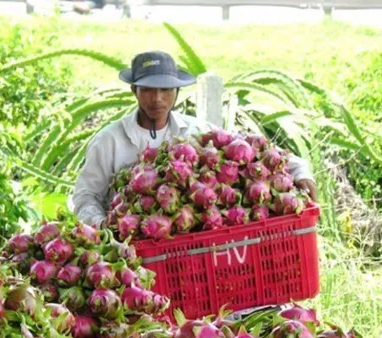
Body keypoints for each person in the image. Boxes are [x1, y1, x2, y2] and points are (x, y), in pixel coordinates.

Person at [71, 51, 318, 227]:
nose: (157, 99)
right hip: (132, 246)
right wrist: (102, 224)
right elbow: (85, 196)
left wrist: (301, 172)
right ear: (134, 90)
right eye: (147, 89)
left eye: (166, 90)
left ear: (177, 92)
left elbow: (254, 151)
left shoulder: (197, 131)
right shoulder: (109, 141)